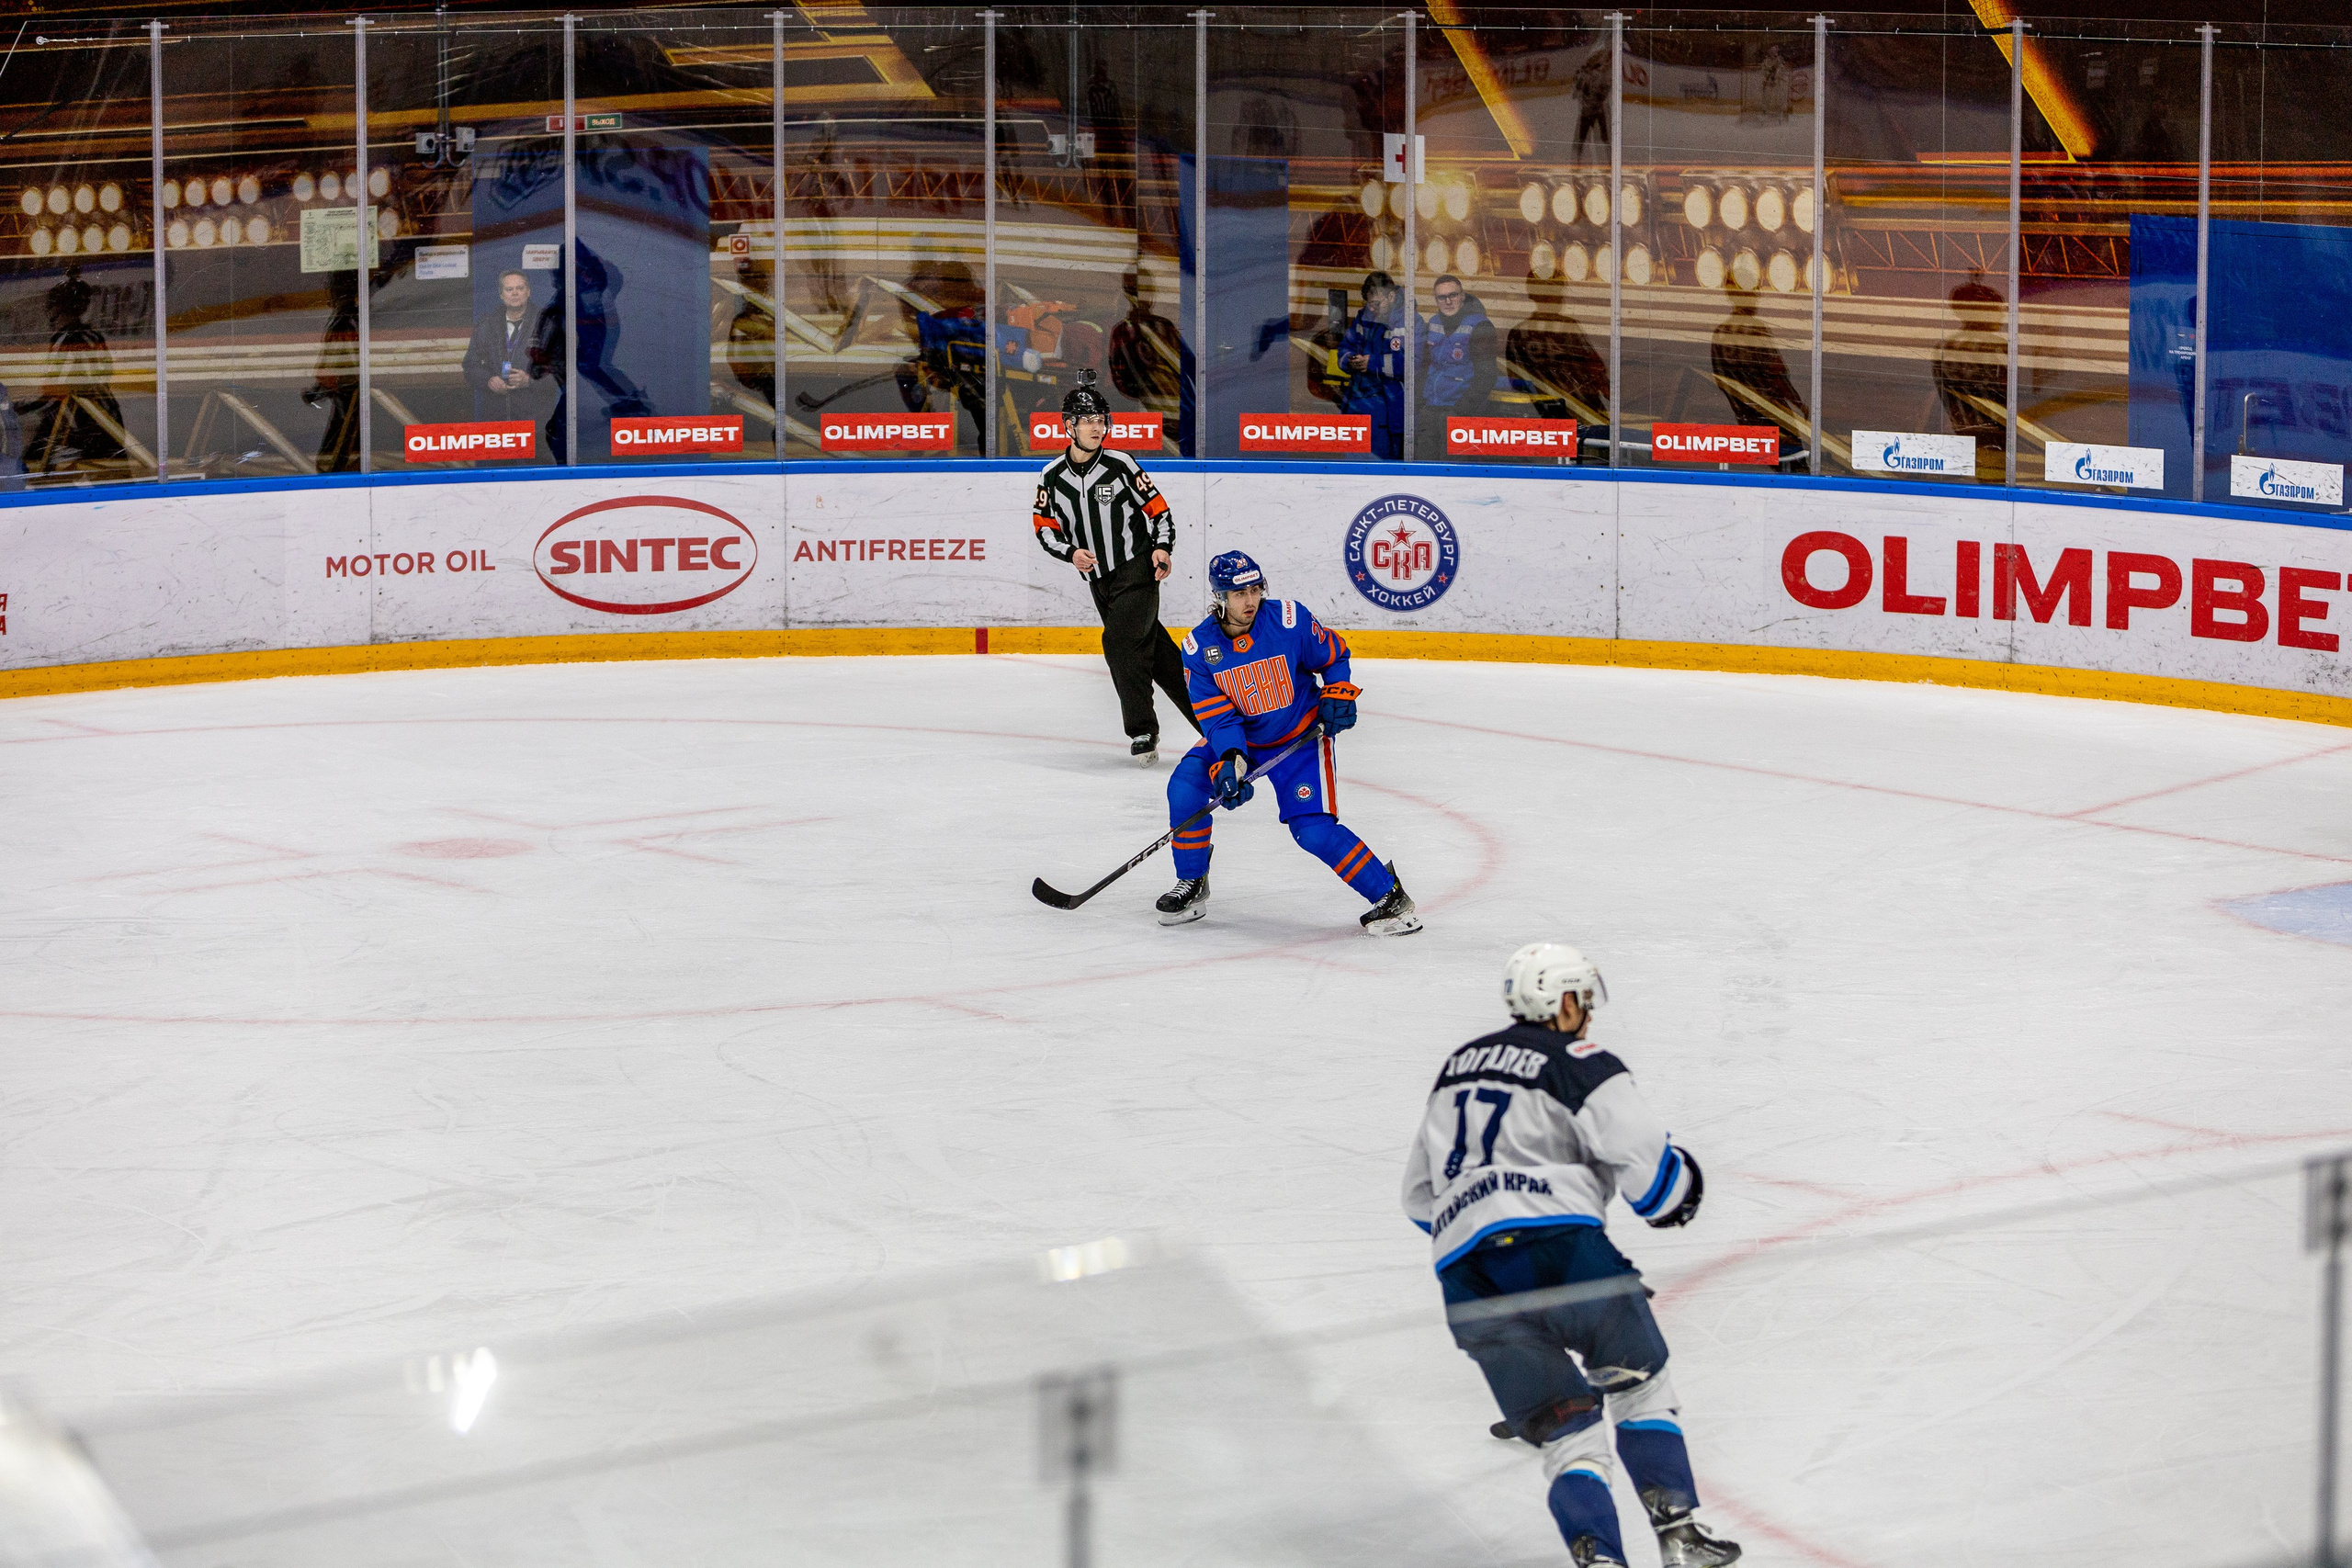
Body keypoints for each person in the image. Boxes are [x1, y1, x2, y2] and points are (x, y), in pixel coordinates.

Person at [1403, 943, 1738, 1568]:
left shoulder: (1456, 1068)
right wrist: (1682, 1186)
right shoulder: (1582, 1062)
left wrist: (1484, 1229)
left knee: (1568, 1436)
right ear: (1560, 1002)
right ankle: (1680, 1536)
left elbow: (1420, 1200)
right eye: (1581, 999)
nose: (1586, 1012)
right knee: (1639, 1384)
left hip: (1465, 1273)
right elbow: (1656, 1189)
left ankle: (1600, 1559)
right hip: (1561, 1250)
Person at [1155, 550, 1419, 936]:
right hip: (1243, 739)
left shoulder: (1289, 620)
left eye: (1255, 589)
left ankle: (1389, 896)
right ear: (1219, 598)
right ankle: (1192, 881)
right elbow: (1219, 718)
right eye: (1239, 593)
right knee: (1184, 788)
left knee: (1312, 830)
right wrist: (1231, 760)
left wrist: (1338, 690)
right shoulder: (1199, 649)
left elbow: (1333, 655)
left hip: (1300, 739)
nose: (1250, 600)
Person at [1032, 370, 1198, 762]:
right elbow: (1044, 528)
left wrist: (1162, 547)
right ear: (1069, 426)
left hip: (1137, 571)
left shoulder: (1121, 464)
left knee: (1118, 644)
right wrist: (1071, 553)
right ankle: (1217, 722)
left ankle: (1141, 730)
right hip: (1099, 582)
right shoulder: (1051, 476)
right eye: (1088, 421)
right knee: (1161, 658)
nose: (1097, 428)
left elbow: (1158, 510)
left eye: (1101, 420)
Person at [1417, 275, 1497, 460]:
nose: (1448, 301)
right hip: (1431, 410)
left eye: (1452, 295)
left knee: (1454, 470)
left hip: (1461, 413)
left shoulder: (1480, 326)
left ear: (1462, 296)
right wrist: (1420, 404)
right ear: (1436, 300)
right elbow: (1424, 369)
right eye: (1441, 297)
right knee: (1425, 469)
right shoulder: (1433, 323)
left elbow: (1486, 376)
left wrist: (1460, 411)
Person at [1336, 270, 1408, 460]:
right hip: (1356, 400)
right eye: (1369, 303)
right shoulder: (1363, 317)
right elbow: (1344, 348)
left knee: (1383, 465)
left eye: (1376, 303)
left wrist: (1372, 363)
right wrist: (1351, 360)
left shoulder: (1409, 320)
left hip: (1388, 405)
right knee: (1352, 462)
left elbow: (1412, 364)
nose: (1371, 308)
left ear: (1391, 297)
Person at [463, 269, 540, 423]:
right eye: (509, 289)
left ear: (528, 292)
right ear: (501, 295)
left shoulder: (546, 324)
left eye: (520, 288)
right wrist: (488, 380)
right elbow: (470, 366)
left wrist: (530, 380)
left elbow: (562, 368)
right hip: (496, 418)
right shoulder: (486, 325)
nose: (515, 293)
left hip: (535, 418)